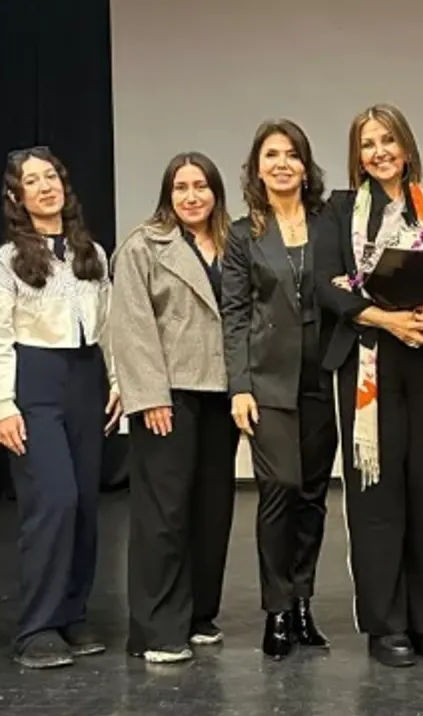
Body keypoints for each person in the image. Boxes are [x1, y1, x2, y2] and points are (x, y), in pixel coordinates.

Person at [314, 103, 423, 668]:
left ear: (406, 147)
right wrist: (388, 320)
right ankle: (386, 625)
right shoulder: (338, 211)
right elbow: (326, 286)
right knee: (376, 492)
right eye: (368, 143)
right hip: (369, 359)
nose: (379, 151)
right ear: (357, 156)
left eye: (388, 140)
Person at [0, 146, 123, 669]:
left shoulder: (91, 253)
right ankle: (36, 628)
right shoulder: (6, 260)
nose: (45, 187)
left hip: (86, 377)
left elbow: (108, 323)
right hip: (35, 380)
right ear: (17, 196)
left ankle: (71, 616)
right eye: (32, 180)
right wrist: (2, 405)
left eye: (52, 177)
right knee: (53, 500)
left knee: (84, 503)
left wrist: (117, 379)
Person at [109, 151, 240, 664]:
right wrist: (149, 397)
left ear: (215, 192)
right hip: (169, 395)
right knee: (163, 514)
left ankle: (199, 615)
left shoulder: (234, 242)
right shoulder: (143, 246)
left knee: (212, 509)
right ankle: (157, 629)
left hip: (221, 393)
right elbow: (131, 327)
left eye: (201, 186)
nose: (192, 196)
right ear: (168, 194)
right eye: (181, 187)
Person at [221, 120, 337, 659]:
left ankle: (303, 604)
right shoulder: (243, 235)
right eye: (272, 155)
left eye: (292, 154)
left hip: (323, 375)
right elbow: (234, 314)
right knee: (280, 487)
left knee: (313, 494)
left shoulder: (328, 224)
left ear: (305, 166)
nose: (283, 164)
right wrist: (239, 386)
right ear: (257, 168)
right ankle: (276, 608)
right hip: (267, 379)